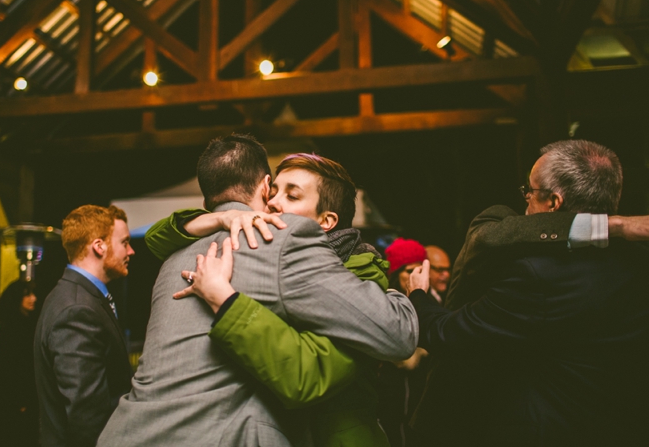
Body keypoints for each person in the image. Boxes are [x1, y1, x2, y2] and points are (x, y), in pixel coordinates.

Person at [98, 135, 417, 447]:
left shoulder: (175, 258)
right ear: (265, 187)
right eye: (275, 192)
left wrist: (225, 299)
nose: (275, 203)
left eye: (292, 196)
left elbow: (313, 370)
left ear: (327, 220)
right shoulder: (269, 242)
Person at [407, 140, 649, 446]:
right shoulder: (640, 261)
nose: (525, 204)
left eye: (530, 193)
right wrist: (610, 225)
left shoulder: (538, 275)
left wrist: (417, 295)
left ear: (553, 204)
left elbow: (450, 334)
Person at [34, 205, 135, 447]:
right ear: (99, 246)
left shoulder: (76, 295)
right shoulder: (77, 309)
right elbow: (87, 418)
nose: (131, 251)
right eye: (124, 242)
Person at [377, 239, 429, 447]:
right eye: (409, 271)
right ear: (395, 274)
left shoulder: (428, 300)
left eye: (420, 270)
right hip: (393, 393)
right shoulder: (387, 301)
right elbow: (402, 356)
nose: (416, 277)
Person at [0, 280, 39, 447]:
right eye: (27, 295)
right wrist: (21, 400)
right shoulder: (15, 328)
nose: (33, 298)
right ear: (16, 299)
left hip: (13, 401)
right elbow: (10, 369)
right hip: (16, 402)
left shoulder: (14, 325)